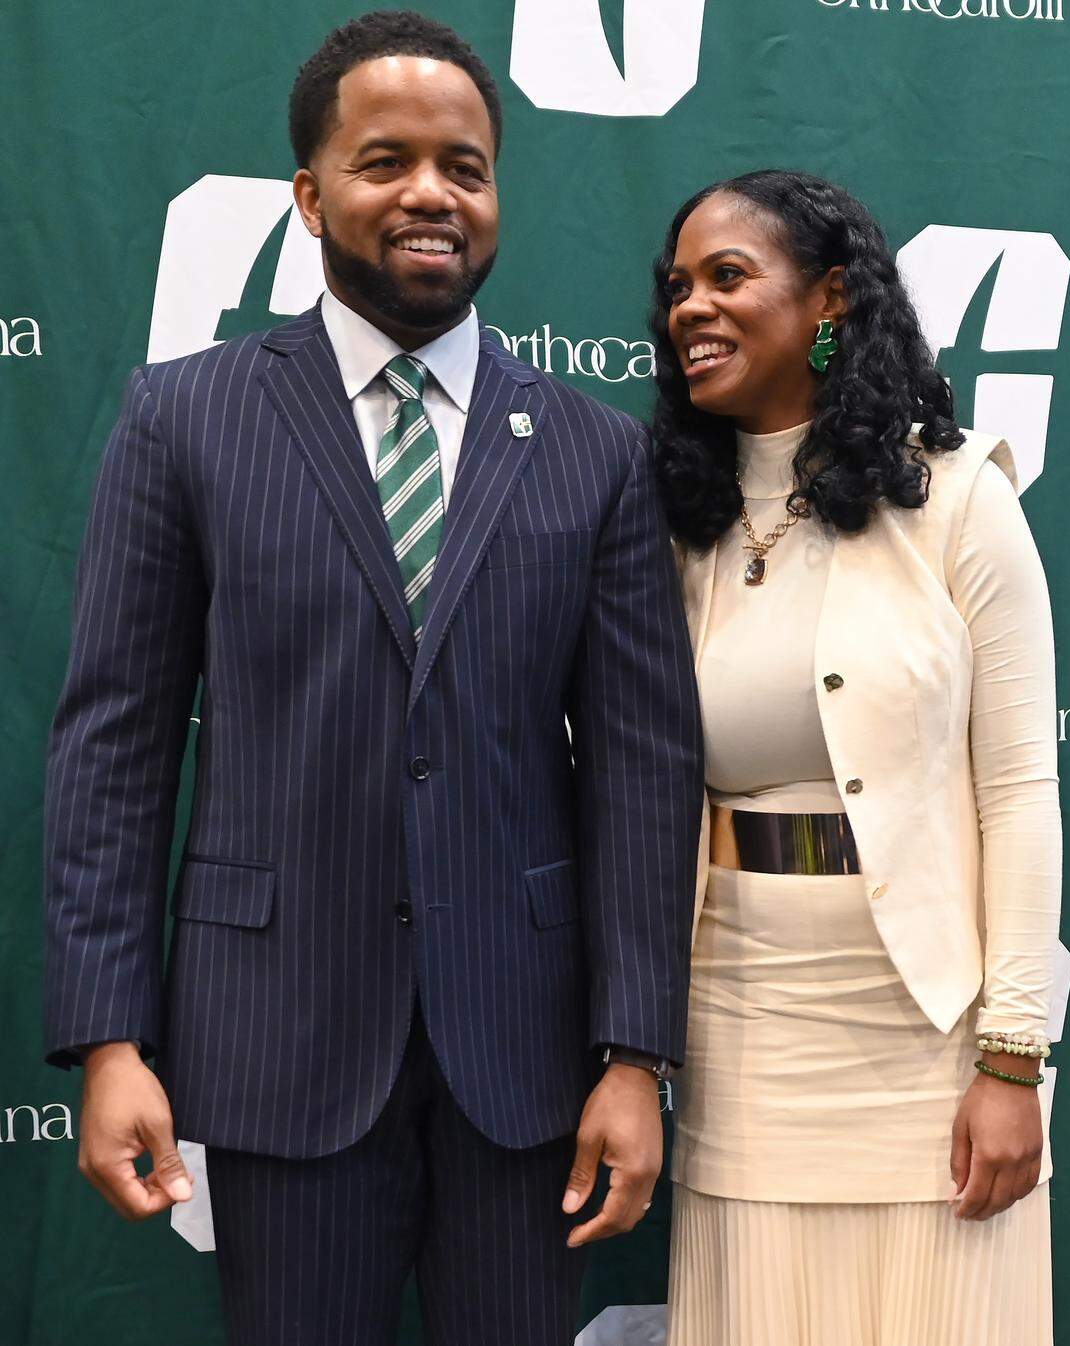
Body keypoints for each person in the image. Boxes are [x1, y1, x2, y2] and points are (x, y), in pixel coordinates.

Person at [42, 12, 703, 1344]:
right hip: (276, 1040)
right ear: (311, 192)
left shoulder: (592, 452)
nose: (429, 194)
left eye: (465, 166)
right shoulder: (185, 417)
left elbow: (643, 764)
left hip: (526, 1067)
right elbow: (113, 741)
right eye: (385, 159)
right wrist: (110, 1038)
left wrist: (638, 1054)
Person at [653, 170, 1060, 1346]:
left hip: (930, 1044)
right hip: (739, 1037)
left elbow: (1022, 791)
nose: (691, 307)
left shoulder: (960, 498)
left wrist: (1012, 1055)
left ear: (830, 298)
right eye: (678, 287)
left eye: (728, 277)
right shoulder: (675, 518)